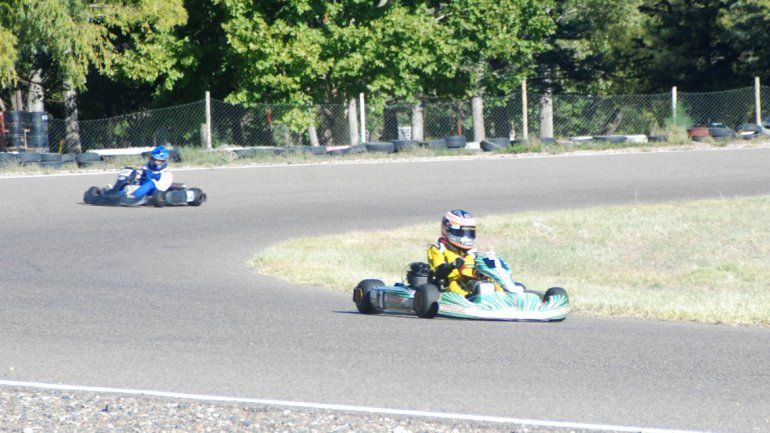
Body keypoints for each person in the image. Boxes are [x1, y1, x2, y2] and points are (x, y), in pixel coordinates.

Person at [427, 209, 478, 297]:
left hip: (469, 281)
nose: (466, 236)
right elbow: (439, 273)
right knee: (453, 285)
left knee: (488, 282)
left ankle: (504, 296)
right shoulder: (438, 249)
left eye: (469, 232)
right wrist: (453, 265)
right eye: (461, 232)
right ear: (447, 229)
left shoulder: (472, 253)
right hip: (448, 284)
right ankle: (469, 299)